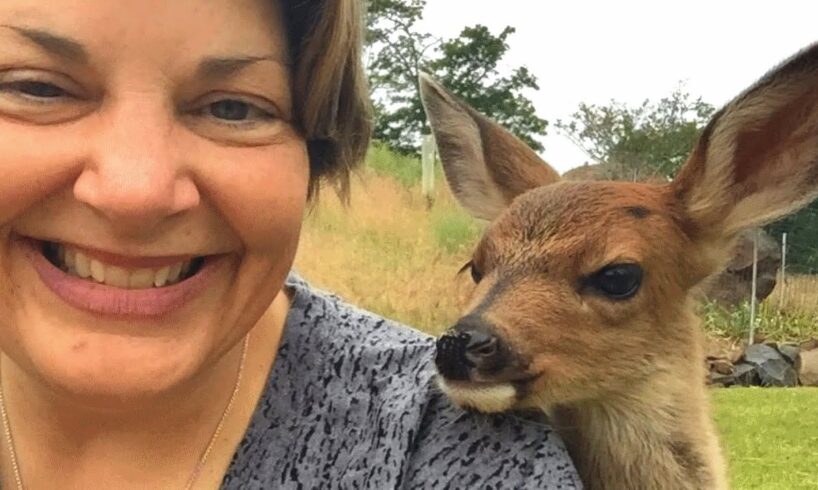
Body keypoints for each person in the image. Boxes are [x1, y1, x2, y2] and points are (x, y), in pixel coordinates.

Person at [0, 1, 581, 488]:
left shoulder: (458, 451)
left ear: (314, 154)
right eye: (36, 88)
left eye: (234, 107)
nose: (136, 193)